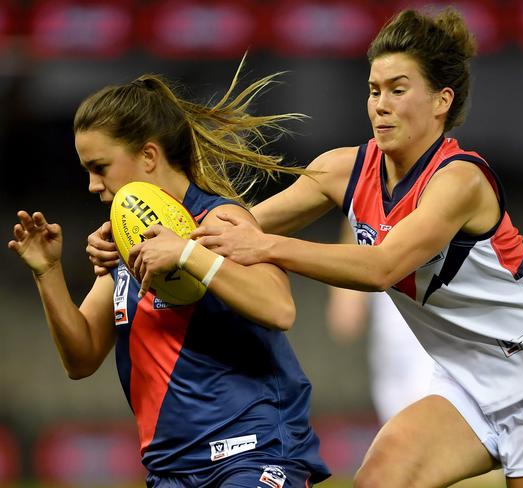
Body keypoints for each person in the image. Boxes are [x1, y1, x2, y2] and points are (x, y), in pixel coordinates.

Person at [86, 7, 523, 487]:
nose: (380, 106)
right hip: (468, 384)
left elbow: (380, 266)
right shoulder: (344, 168)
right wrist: (143, 233)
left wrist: (264, 246)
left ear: (442, 101)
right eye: (373, 89)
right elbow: (225, 227)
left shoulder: (459, 181)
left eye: (398, 89)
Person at [8, 68, 330, 487]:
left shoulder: (220, 220)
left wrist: (188, 253)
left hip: (251, 454)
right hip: (172, 470)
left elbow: (279, 308)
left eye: (100, 166)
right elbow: (82, 357)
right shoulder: (125, 241)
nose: (91, 185)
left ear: (148, 156)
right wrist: (48, 273)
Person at [326, 219, 435, 424]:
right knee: (398, 430)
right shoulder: (369, 205)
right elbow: (345, 320)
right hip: (389, 352)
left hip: (432, 347)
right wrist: (346, 296)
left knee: (426, 430)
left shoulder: (433, 199)